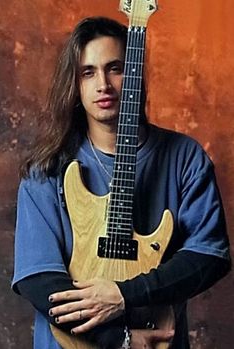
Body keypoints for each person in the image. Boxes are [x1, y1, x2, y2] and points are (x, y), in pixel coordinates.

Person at [12, 16, 231, 349]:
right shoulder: (47, 169)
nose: (104, 84)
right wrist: (119, 339)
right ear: (74, 85)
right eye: (88, 72)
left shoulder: (185, 157)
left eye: (115, 68)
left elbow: (208, 255)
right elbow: (39, 279)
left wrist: (123, 295)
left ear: (135, 77)